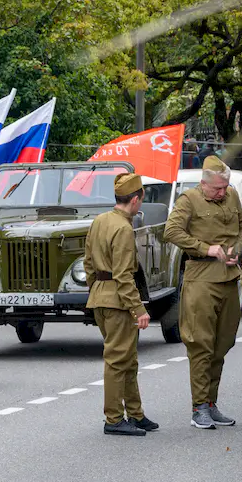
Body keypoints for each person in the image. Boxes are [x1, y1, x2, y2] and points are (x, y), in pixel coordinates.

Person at [165, 155, 242, 430]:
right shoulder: (188, 200)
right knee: (201, 344)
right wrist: (205, 248)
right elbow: (172, 231)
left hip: (228, 278)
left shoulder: (233, 196)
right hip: (200, 279)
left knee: (223, 344)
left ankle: (211, 404)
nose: (222, 193)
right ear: (204, 184)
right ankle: (199, 406)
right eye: (217, 189)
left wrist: (237, 250)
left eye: (225, 188)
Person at [87, 173, 155, 436]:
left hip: (101, 297)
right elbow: (125, 276)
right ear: (135, 200)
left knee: (128, 358)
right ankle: (114, 418)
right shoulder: (124, 228)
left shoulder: (99, 221)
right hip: (118, 301)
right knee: (118, 360)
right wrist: (139, 309)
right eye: (141, 201)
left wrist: (95, 290)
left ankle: (135, 414)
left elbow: (88, 264)